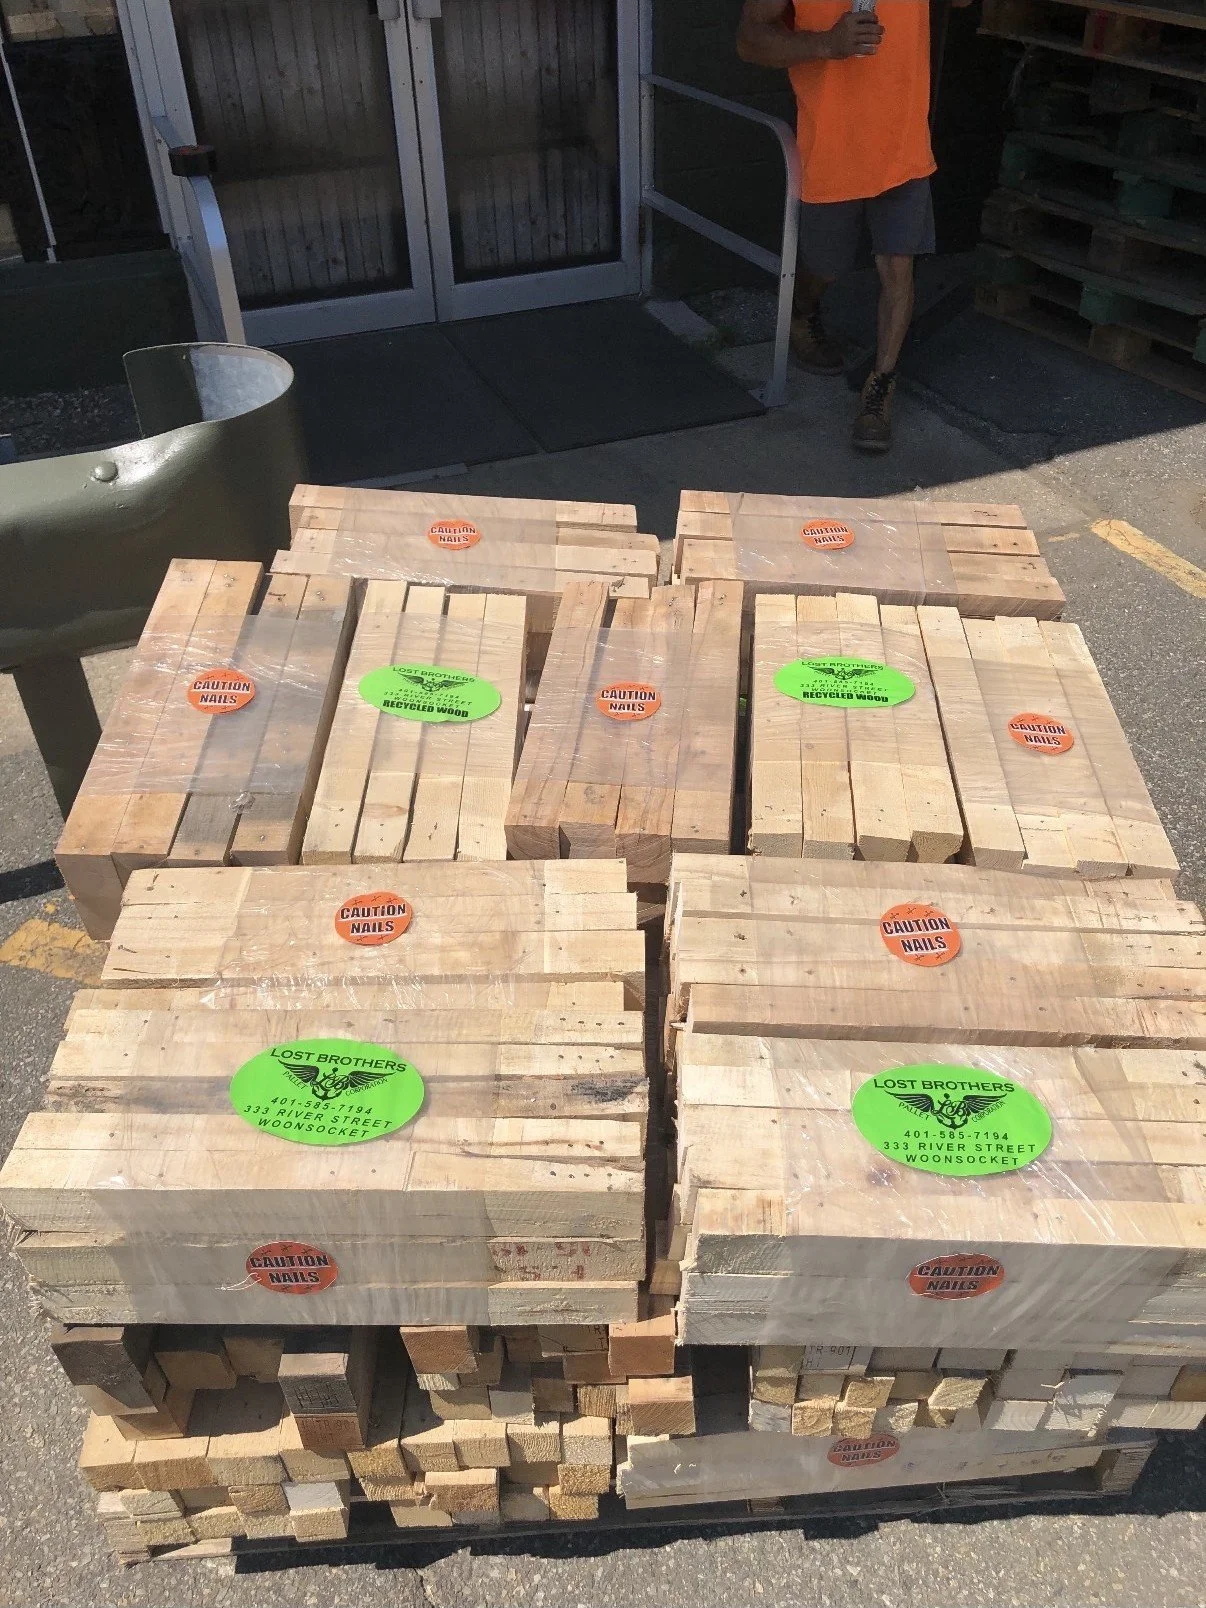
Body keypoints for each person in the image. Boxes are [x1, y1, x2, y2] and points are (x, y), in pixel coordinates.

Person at [737, 0, 965, 452]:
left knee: (898, 270)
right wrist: (827, 43)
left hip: (903, 144)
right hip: (832, 147)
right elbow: (749, 40)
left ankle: (879, 389)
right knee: (826, 267)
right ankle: (803, 313)